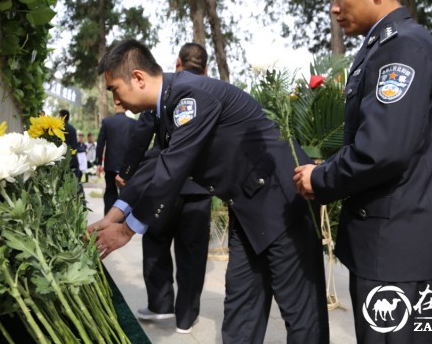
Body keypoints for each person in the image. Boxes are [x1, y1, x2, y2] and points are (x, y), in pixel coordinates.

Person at [88, 39, 329, 343]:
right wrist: (113, 215)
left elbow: (172, 169)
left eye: (114, 91)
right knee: (241, 307)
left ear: (137, 78)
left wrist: (125, 232)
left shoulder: (191, 96)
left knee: (300, 313)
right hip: (245, 205)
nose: (116, 104)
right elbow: (155, 163)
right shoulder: (167, 104)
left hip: (281, 201)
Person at [293, 0, 432, 343]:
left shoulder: (402, 47)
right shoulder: (385, 46)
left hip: (399, 255)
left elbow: (382, 150)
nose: (334, 8)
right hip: (398, 247)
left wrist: (320, 179)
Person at [116, 43, 212, 334]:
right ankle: (186, 316)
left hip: (163, 184)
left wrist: (128, 173)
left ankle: (160, 306)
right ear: (206, 68)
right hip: (199, 188)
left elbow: (142, 132)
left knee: (156, 241)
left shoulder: (164, 90)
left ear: (177, 62)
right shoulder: (212, 90)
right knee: (193, 253)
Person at [95, 104, 136, 215]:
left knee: (110, 193)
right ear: (126, 107)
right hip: (127, 166)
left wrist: (98, 162)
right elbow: (137, 145)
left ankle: (108, 218)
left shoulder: (107, 122)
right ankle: (122, 220)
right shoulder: (133, 123)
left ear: (114, 107)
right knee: (125, 194)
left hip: (111, 165)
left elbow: (100, 143)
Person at [58, 109, 80, 180]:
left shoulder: (59, 128)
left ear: (62, 117)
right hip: (73, 157)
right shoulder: (73, 129)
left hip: (63, 158)